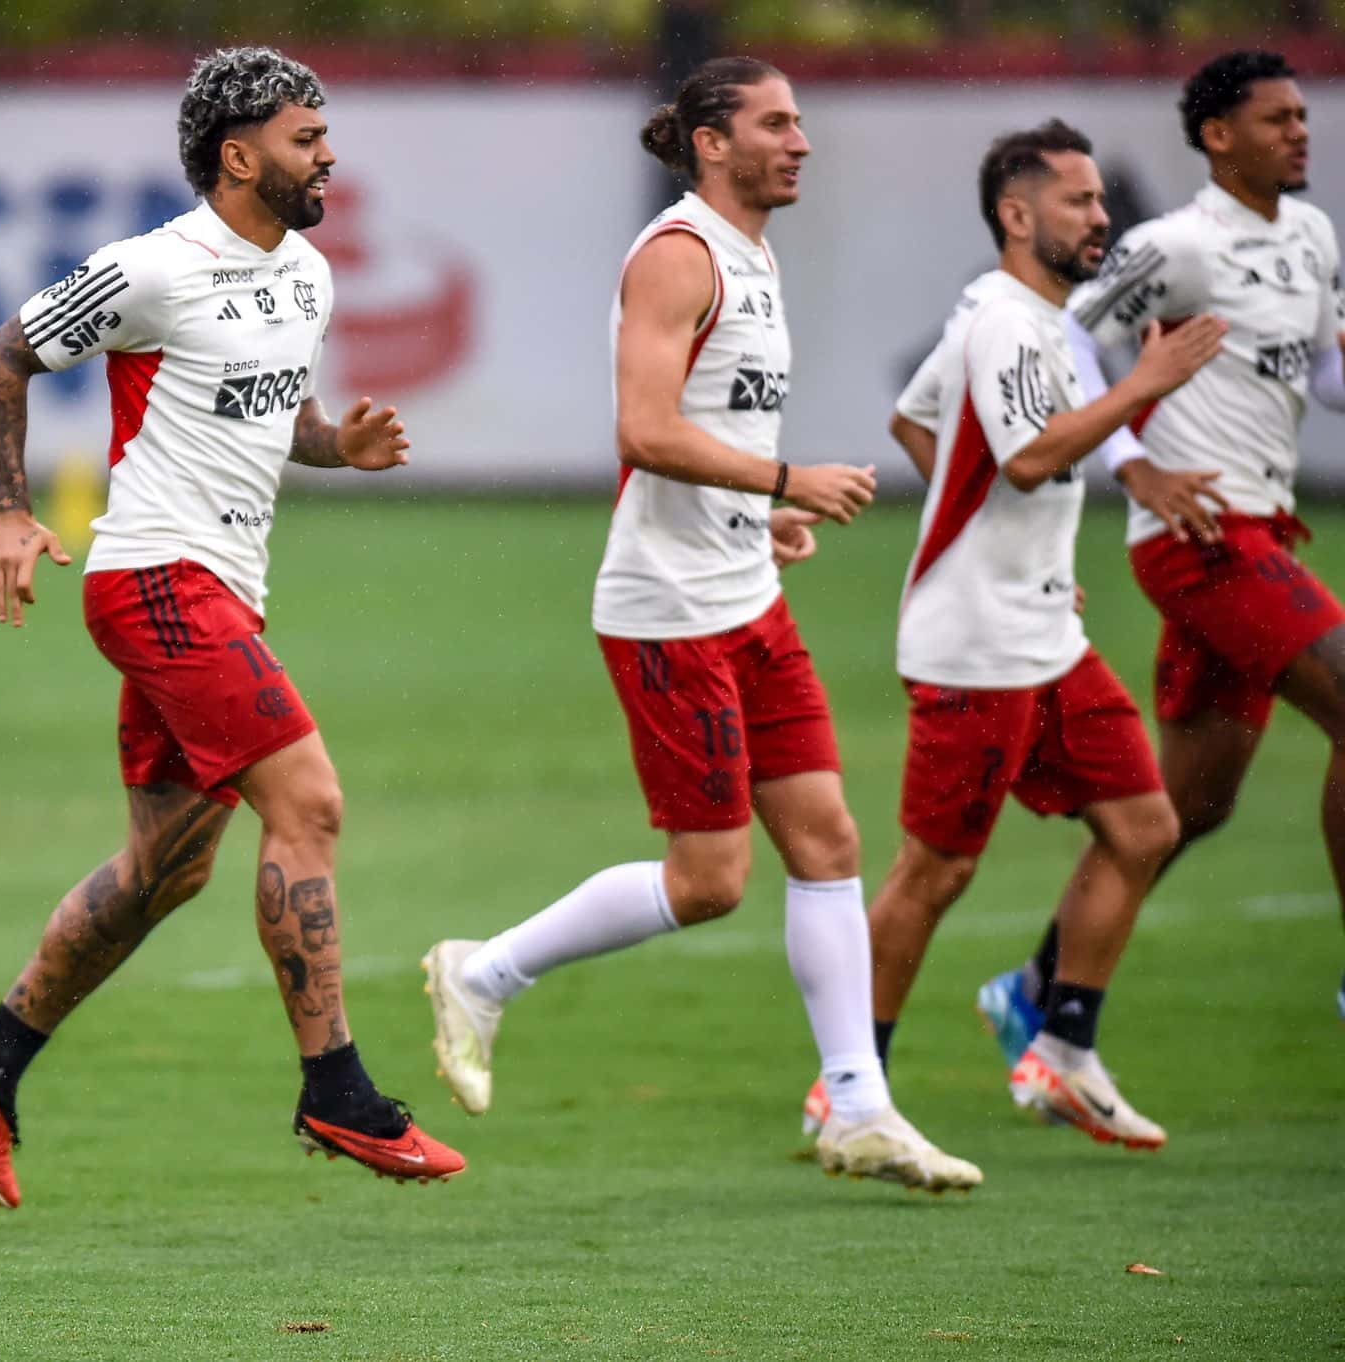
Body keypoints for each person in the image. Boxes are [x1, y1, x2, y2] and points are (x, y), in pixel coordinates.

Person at [420, 57, 981, 1194]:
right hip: (667, 613)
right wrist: (783, 479)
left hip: (743, 594)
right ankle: (483, 973)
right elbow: (642, 428)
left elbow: (704, 432)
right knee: (711, 878)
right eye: (775, 123)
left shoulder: (753, 255)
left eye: (801, 121)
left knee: (827, 843)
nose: (801, 141)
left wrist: (755, 517)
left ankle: (858, 1109)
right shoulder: (679, 254)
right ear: (711, 143)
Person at [0, 46, 464, 1209]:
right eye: (305, 139)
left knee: (164, 871)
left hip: (221, 589)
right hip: (157, 579)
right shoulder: (150, 268)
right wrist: (11, 513)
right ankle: (335, 1088)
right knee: (309, 803)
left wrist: (336, 446)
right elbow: (0, 357)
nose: (328, 156)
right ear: (238, 156)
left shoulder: (305, 275)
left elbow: (276, 416)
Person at [815, 121, 1224, 1151]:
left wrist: (1003, 548)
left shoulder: (1027, 318)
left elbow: (918, 419)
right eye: (1077, 201)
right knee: (935, 871)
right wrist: (1142, 384)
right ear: (1015, 214)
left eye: (1098, 199)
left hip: (1040, 633)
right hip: (973, 651)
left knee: (1143, 827)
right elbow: (1031, 459)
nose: (1100, 217)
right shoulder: (1002, 321)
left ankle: (1062, 1053)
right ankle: (849, 1087)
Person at [978, 51, 1345, 1043]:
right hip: (1198, 536)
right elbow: (1067, 334)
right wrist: (1132, 465)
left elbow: (1322, 376)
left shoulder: (1310, 235)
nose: (1298, 132)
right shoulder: (1176, 245)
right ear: (1217, 138)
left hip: (1257, 526)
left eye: (1301, 116)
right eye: (1274, 119)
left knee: (1186, 806)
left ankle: (1033, 990)